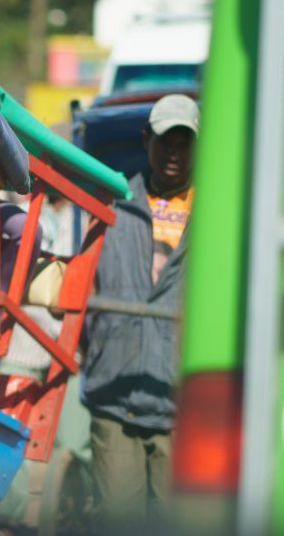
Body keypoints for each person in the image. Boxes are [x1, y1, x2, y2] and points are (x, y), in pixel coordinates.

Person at [81, 94, 199, 531]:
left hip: (182, 403)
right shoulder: (114, 205)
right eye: (166, 140)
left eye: (184, 143)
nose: (174, 153)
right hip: (115, 394)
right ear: (147, 140)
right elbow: (84, 283)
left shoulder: (216, 216)